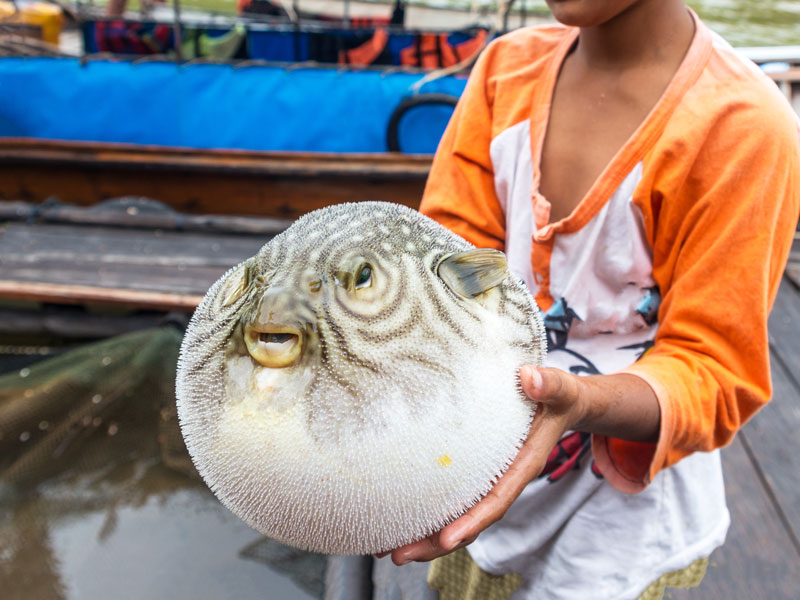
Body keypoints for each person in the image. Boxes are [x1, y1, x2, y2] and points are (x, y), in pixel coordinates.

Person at [379, 0, 800, 598]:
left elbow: (712, 368)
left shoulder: (742, 126)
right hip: (477, 482)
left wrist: (579, 401)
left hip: (621, 533)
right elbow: (442, 272)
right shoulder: (504, 71)